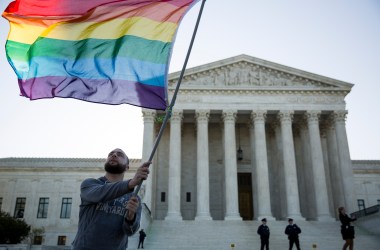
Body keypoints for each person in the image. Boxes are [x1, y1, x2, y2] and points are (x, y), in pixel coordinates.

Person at [71, 148, 150, 250]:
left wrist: (130, 218)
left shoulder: (134, 198)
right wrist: (131, 183)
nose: (114, 155)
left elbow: (130, 231)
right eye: (111, 154)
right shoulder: (90, 184)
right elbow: (101, 193)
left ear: (127, 167)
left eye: (120, 155)